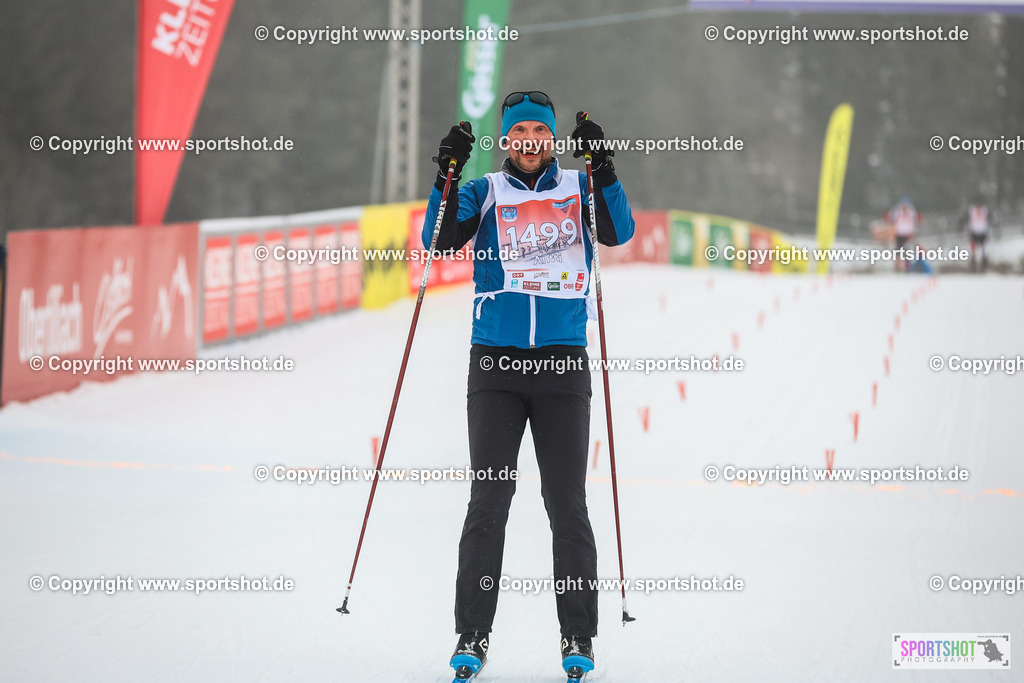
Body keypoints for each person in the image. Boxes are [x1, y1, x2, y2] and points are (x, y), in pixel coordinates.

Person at [421, 91, 635, 681]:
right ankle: (472, 634)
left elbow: (619, 232)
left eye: (541, 131)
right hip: (495, 368)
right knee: (489, 502)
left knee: (566, 503)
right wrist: (446, 173)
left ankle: (578, 637)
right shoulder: (484, 192)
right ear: (507, 140)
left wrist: (605, 167)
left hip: (563, 367)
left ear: (551, 139)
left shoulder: (577, 188)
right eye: (520, 133)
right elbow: (436, 242)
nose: (531, 141)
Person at [959, 195, 997, 273]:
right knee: (973, 250)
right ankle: (973, 265)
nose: (978, 207)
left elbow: (992, 219)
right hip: (974, 232)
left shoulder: (985, 210)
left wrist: (995, 226)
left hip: (983, 232)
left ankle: (984, 265)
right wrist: (961, 226)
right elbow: (964, 219)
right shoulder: (971, 211)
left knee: (984, 249)